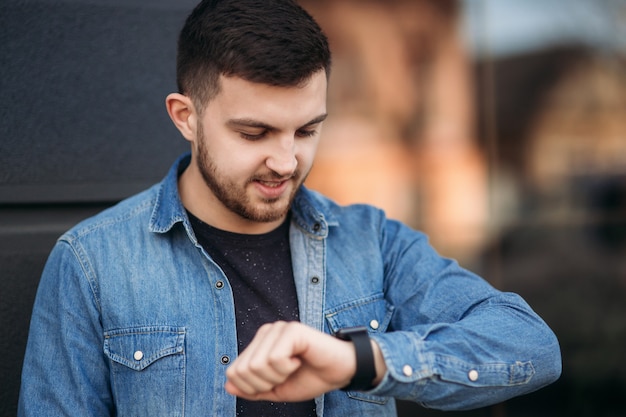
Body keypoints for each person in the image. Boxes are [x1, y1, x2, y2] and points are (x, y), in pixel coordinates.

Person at [18, 0, 561, 416]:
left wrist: (357, 361)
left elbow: (531, 347)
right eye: (254, 132)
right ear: (186, 116)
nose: (286, 160)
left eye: (307, 130)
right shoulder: (93, 263)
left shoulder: (371, 242)